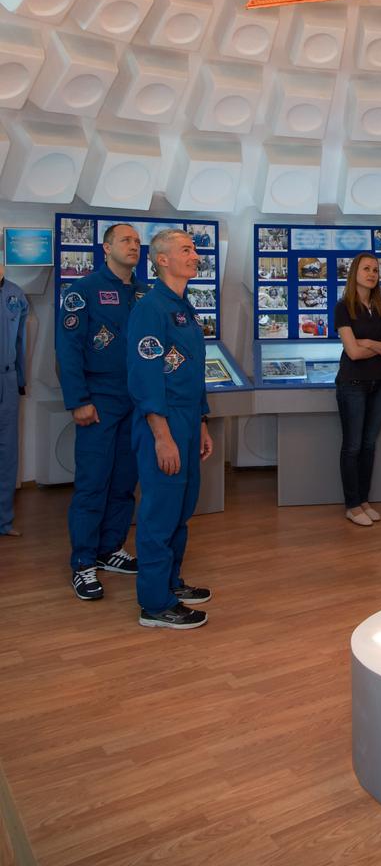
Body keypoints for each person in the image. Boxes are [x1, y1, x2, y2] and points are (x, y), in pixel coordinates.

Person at [127, 229, 213, 630]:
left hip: (187, 418)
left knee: (181, 508)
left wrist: (201, 423)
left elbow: (192, 372)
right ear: (162, 260)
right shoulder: (151, 308)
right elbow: (146, 378)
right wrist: (162, 436)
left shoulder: (184, 305)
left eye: (194, 249)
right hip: (162, 421)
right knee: (160, 512)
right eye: (186, 249)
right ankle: (155, 604)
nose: (195, 255)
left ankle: (171, 583)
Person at [56, 222, 145, 599]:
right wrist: (78, 400)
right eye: (125, 240)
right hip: (99, 398)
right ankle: (83, 562)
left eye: (138, 241)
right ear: (105, 248)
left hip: (136, 400)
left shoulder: (144, 293)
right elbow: (67, 349)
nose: (133, 246)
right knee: (93, 482)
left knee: (125, 482)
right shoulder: (83, 291)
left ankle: (111, 549)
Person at [334, 253, 381, 527]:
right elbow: (353, 352)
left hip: (379, 383)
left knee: (369, 445)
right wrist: (378, 344)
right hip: (352, 384)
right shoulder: (343, 307)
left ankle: (364, 500)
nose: (372, 274)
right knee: (352, 446)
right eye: (366, 269)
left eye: (375, 270)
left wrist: (369, 342)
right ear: (354, 274)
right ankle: (352, 504)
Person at [0, 259, 28, 538]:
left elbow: (21, 340)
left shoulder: (15, 295)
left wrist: (21, 379)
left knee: (7, 451)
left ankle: (3, 520)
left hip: (7, 379)